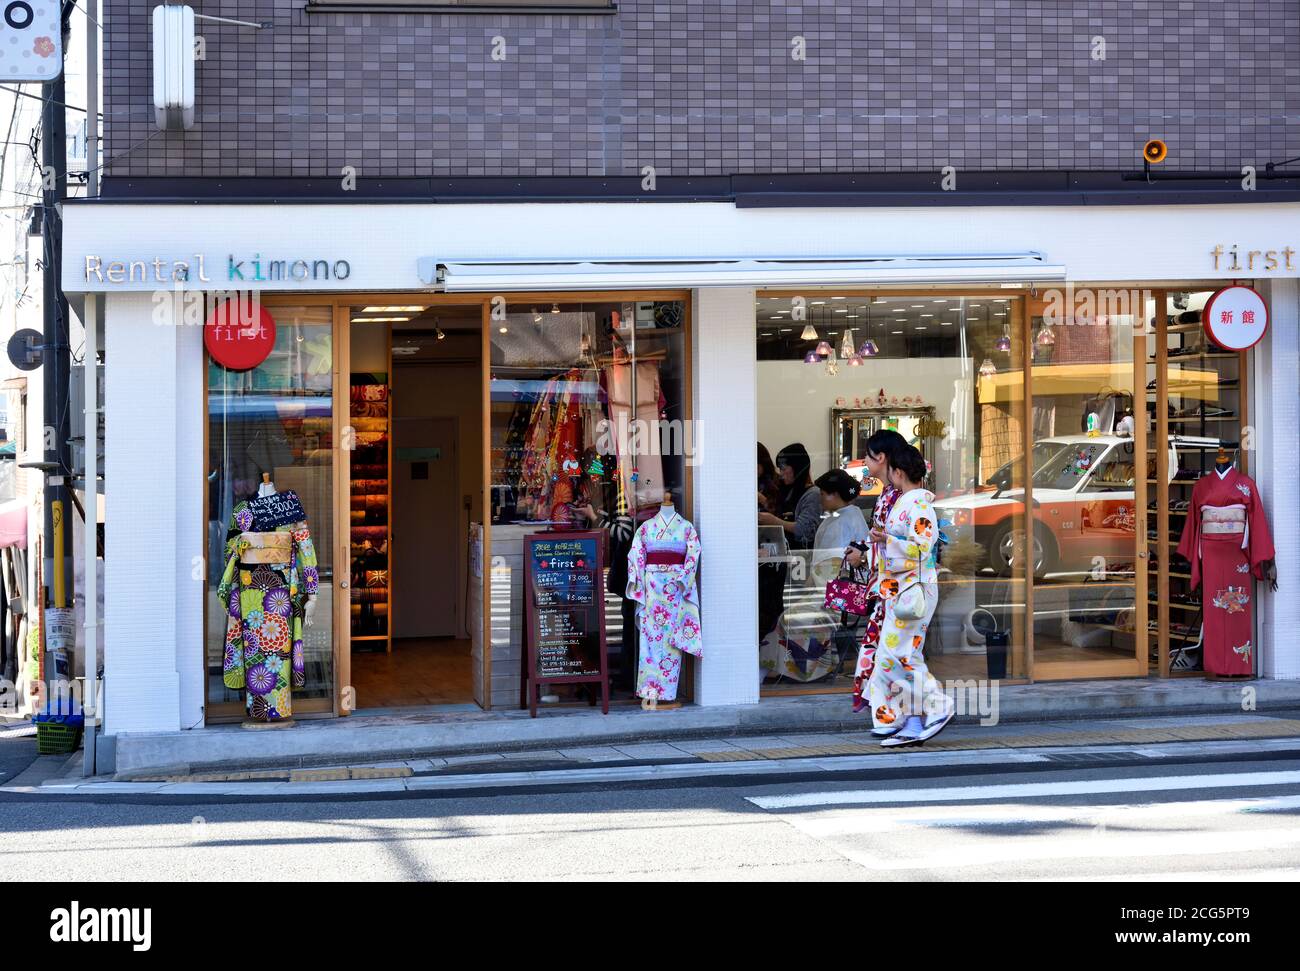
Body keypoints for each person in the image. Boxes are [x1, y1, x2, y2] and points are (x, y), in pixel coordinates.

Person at [847, 433, 952, 747]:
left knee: (901, 655)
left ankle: (935, 707)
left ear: (898, 472)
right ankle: (903, 719)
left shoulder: (917, 505)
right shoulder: (910, 503)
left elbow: (922, 549)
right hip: (899, 590)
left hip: (910, 591)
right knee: (890, 657)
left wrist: (885, 542)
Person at [845, 430, 907, 713]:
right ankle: (890, 712)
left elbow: (899, 544)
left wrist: (866, 554)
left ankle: (897, 713)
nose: (866, 463)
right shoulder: (892, 493)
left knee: (890, 652)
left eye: (868, 457)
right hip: (888, 587)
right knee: (888, 651)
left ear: (881, 458)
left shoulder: (899, 497)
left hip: (896, 587)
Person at [809, 469, 870, 587]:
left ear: (835, 494)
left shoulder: (840, 523)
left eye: (822, 494)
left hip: (835, 590)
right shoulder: (852, 514)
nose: (820, 499)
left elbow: (831, 563)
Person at [759, 443, 821, 550]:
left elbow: (804, 529)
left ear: (797, 467)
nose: (781, 473)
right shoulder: (788, 490)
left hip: (801, 559)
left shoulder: (813, 494)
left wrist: (774, 521)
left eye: (783, 469)